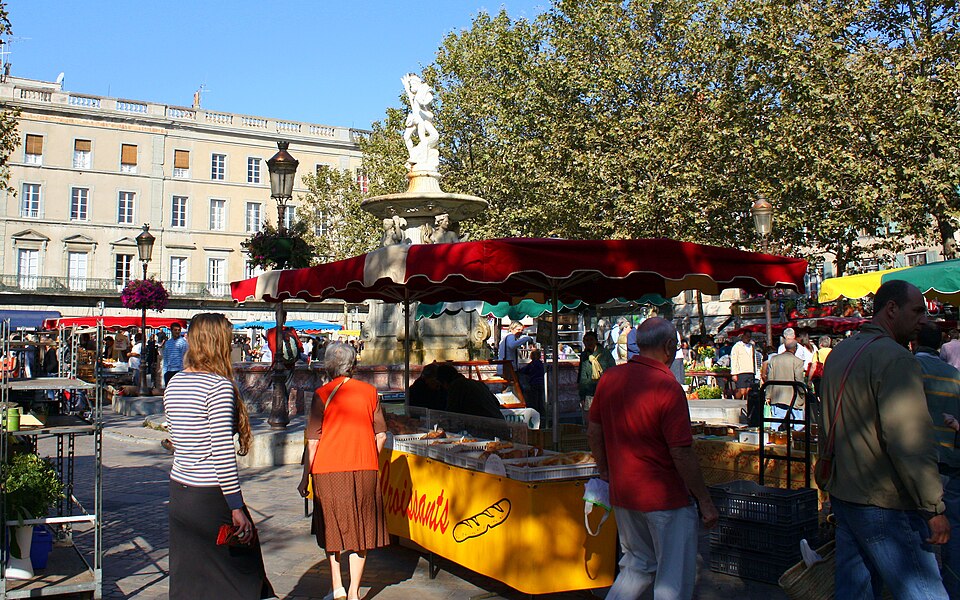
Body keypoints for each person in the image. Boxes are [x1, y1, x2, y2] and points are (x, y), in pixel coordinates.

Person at [817, 280, 948, 599]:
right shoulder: (897, 359)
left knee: (854, 590)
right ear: (891, 309)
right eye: (917, 311)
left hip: (846, 496)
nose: (924, 320)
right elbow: (909, 441)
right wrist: (934, 507)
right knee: (925, 593)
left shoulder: (840, 352)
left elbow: (824, 425)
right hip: (885, 502)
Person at [587, 318, 718, 600]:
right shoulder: (666, 386)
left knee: (636, 567)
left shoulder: (611, 378)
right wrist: (704, 500)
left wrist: (605, 471)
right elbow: (681, 452)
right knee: (672, 581)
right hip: (664, 497)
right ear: (670, 346)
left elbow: (594, 428)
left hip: (625, 492)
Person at [163, 313, 273, 599]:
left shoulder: (174, 383)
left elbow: (175, 435)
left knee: (191, 575)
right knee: (241, 571)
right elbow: (222, 451)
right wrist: (236, 506)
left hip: (181, 490)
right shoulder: (218, 387)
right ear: (217, 343)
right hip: (211, 493)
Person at [298, 342, 388, 600]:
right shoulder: (370, 392)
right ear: (353, 364)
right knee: (361, 527)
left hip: (328, 469)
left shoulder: (321, 394)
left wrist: (305, 477)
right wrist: (371, 455)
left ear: (328, 365)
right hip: (364, 468)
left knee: (331, 525)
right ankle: (354, 592)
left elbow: (313, 441)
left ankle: (337, 585)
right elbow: (381, 434)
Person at [915, 322, 960, 597]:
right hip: (952, 465)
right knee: (953, 533)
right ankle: (952, 589)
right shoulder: (954, 375)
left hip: (920, 466)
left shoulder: (908, 369)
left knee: (921, 535)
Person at [761, 339, 806, 429]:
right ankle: (796, 440)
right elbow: (799, 380)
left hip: (777, 396)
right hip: (794, 396)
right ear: (795, 348)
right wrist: (803, 393)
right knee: (798, 421)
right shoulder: (798, 361)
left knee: (776, 420)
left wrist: (768, 395)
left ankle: (771, 439)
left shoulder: (774, 359)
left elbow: (770, 379)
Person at [435, 363, 505, 420]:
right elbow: (496, 403)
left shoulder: (456, 386)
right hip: (498, 423)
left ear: (444, 382)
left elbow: (451, 413)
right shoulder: (476, 383)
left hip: (486, 428)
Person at [578, 331, 616, 425]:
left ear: (596, 341)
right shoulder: (584, 356)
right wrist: (582, 395)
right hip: (589, 393)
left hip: (604, 391)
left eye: (591, 340)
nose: (589, 342)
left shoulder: (605, 354)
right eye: (586, 340)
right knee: (591, 421)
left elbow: (612, 371)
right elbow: (582, 375)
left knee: (604, 419)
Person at [730, 332, 757, 400]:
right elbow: (734, 360)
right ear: (742, 336)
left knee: (749, 391)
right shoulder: (737, 346)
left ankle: (746, 404)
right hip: (741, 372)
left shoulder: (752, 346)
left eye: (749, 336)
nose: (748, 338)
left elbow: (754, 359)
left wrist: (755, 371)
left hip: (750, 371)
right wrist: (734, 373)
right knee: (741, 391)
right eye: (747, 336)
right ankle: (736, 400)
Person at [518, 348, 546, 414]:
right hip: (541, 383)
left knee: (534, 399)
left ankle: (535, 412)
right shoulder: (541, 364)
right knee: (540, 398)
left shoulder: (532, 364)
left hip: (534, 383)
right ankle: (542, 412)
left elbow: (524, 370)